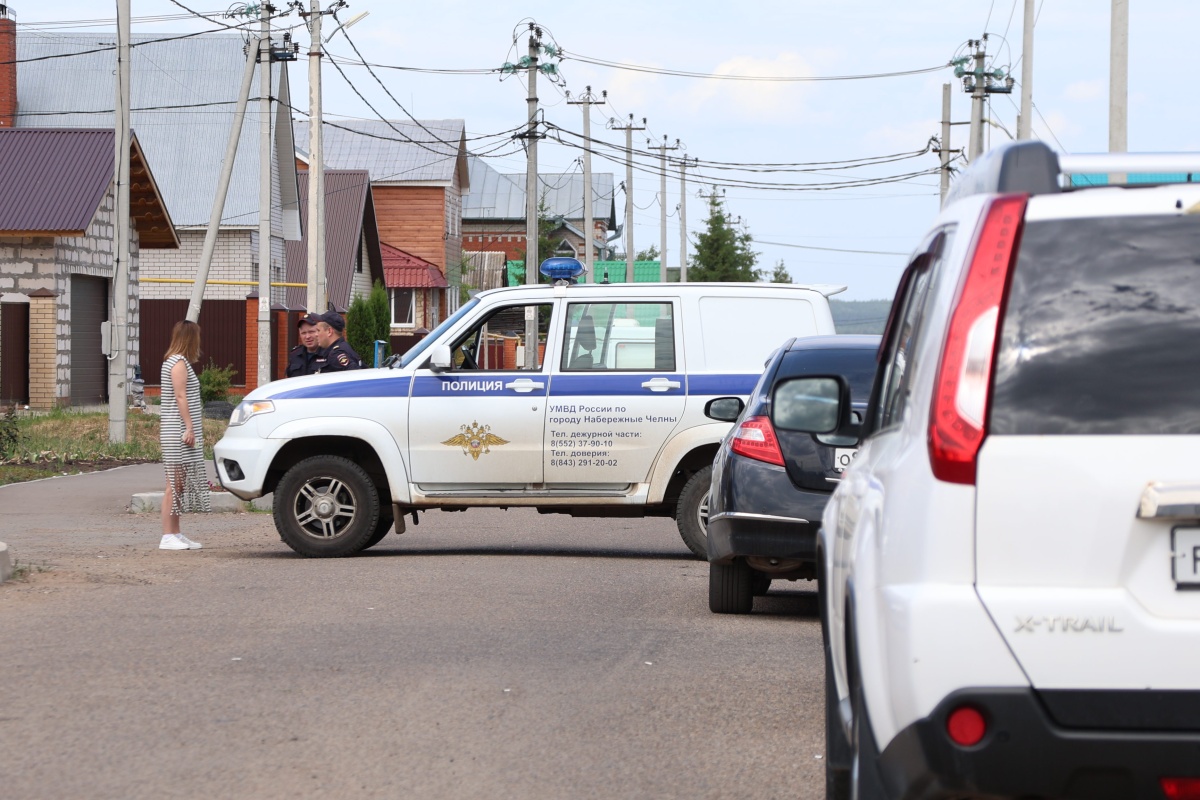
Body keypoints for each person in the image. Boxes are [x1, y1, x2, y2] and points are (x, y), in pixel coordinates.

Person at [159, 320, 211, 550]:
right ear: (190, 338)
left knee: (179, 484)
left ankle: (176, 532)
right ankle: (167, 535)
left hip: (180, 430)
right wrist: (188, 427)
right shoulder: (178, 363)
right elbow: (181, 397)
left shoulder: (179, 362)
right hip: (177, 430)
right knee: (174, 483)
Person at [286, 313, 324, 377]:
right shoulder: (295, 355)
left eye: (311, 332)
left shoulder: (329, 354)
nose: (307, 336)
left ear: (320, 331)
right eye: (303, 333)